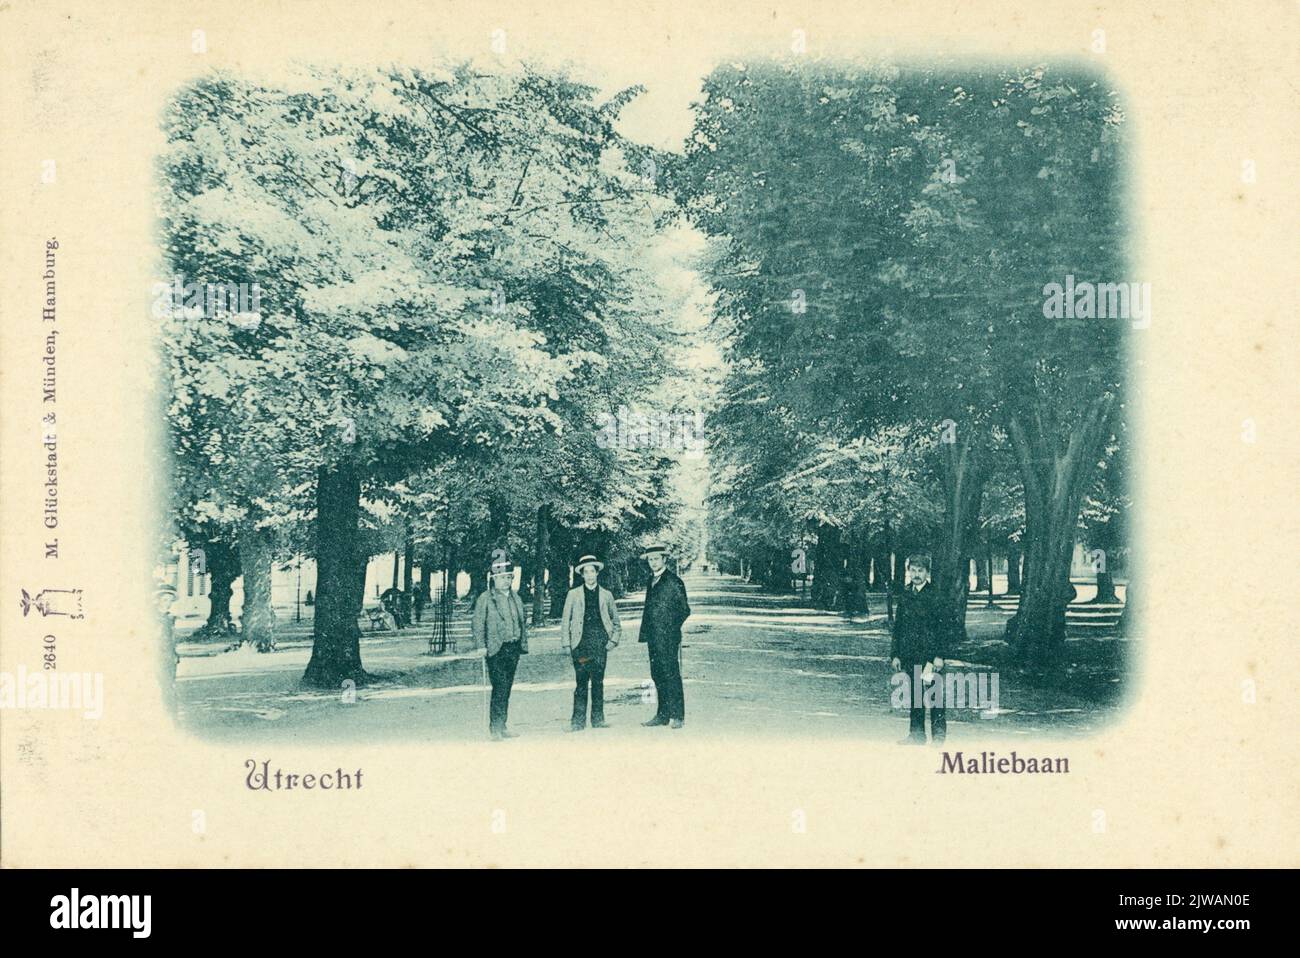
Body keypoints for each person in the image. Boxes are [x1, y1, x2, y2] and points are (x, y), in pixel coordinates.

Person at [560, 555, 622, 731]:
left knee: (598, 682)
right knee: (581, 683)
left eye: (592, 571)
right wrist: (566, 644)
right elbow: (566, 621)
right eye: (585, 572)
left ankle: (598, 720)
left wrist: (613, 641)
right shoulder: (573, 595)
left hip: (600, 645)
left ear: (597, 573)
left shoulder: (607, 595)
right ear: (582, 575)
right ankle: (577, 722)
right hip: (581, 645)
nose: (589, 575)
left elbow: (616, 622)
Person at [889, 554, 946, 745]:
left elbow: (943, 629)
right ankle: (917, 735)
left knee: (934, 696)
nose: (916, 574)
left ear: (927, 573)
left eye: (920, 570)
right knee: (915, 696)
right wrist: (895, 654)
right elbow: (898, 627)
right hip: (910, 654)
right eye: (913, 570)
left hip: (930, 658)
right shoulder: (906, 594)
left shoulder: (936, 595)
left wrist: (939, 656)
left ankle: (938, 738)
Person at [471, 557, 528, 741]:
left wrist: (521, 639)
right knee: (499, 686)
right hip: (495, 649)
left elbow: (522, 621)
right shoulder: (485, 598)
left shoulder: (516, 598)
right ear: (494, 579)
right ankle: (495, 728)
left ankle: (502, 725)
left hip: (513, 647)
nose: (506, 581)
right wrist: (481, 646)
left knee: (507, 687)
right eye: (502, 577)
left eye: (509, 577)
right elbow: (478, 623)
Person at [637, 544, 691, 729]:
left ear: (664, 560)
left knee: (671, 674)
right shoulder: (650, 581)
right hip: (653, 637)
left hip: (668, 637)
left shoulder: (674, 581)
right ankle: (662, 715)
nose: (653, 562)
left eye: (656, 559)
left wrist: (670, 629)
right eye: (650, 559)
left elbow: (684, 610)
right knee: (657, 674)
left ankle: (678, 716)